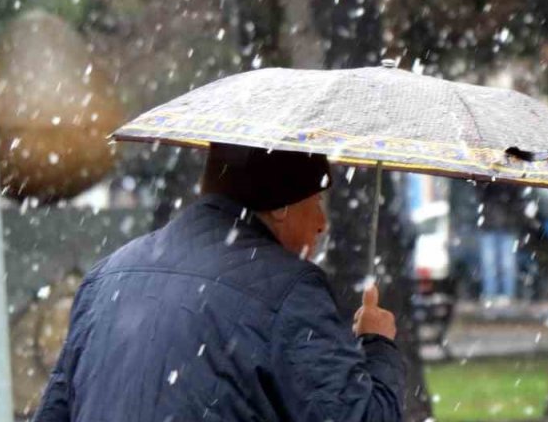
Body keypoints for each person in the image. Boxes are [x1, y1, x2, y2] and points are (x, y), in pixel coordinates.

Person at [33, 144, 404, 422]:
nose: (322, 222)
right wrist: (377, 344)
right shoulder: (289, 291)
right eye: (316, 200)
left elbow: (55, 411)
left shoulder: (108, 274)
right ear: (280, 207)